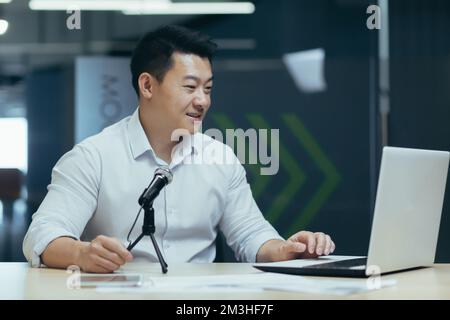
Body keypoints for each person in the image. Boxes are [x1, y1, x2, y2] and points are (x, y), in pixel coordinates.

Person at [23, 25, 335, 273]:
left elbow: (250, 234)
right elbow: (43, 236)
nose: (203, 101)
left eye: (208, 88)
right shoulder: (93, 157)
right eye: (189, 87)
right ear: (147, 86)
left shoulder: (220, 158)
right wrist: (83, 253)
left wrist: (286, 250)